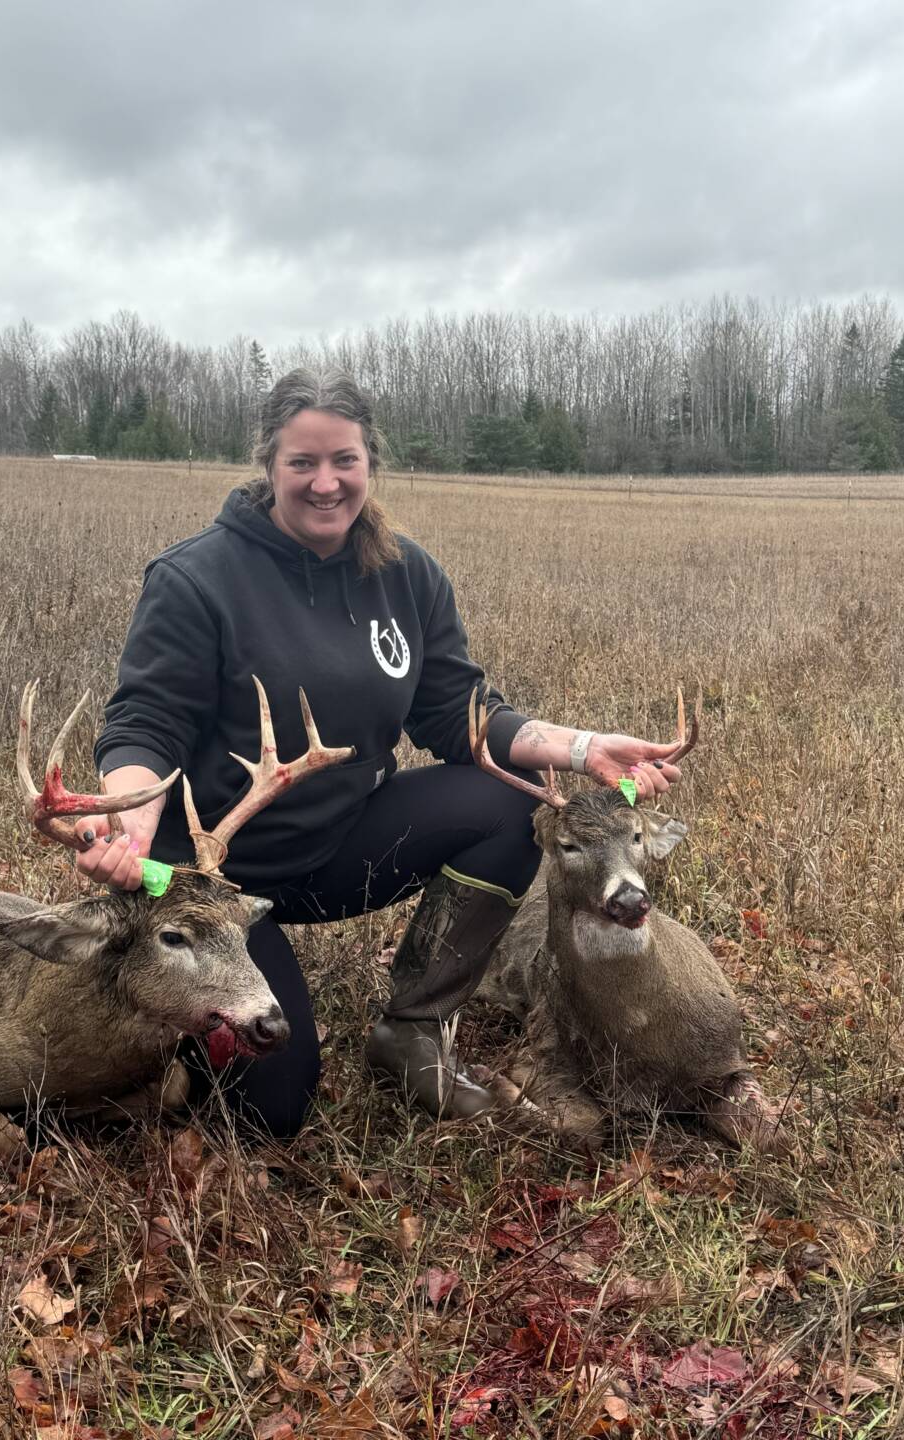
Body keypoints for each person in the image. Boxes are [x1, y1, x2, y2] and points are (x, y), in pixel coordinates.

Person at [78, 369, 686, 1138]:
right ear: (268, 464)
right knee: (270, 1111)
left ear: (371, 461)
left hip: (337, 848)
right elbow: (144, 722)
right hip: (206, 881)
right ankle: (158, 1023)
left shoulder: (406, 575)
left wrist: (584, 747)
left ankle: (414, 1032)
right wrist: (131, 821)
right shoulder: (196, 580)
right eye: (302, 462)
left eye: (345, 460)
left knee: (513, 796)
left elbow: (460, 712)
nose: (325, 483)